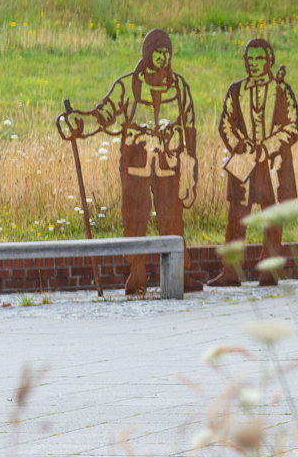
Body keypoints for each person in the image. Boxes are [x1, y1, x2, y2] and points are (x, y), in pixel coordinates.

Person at [58, 28, 197, 294]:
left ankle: (179, 273)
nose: (162, 58)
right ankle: (137, 274)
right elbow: (104, 115)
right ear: (147, 54)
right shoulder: (128, 86)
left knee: (172, 219)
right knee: (134, 218)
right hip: (136, 165)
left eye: (167, 53)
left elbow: (189, 128)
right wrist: (80, 123)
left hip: (168, 165)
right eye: (157, 52)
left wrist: (191, 170)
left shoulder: (179, 88)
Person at [211, 37, 298, 286]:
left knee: (272, 216)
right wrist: (240, 145)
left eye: (259, 59)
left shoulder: (281, 90)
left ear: (269, 60)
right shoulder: (236, 90)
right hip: (243, 162)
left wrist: (269, 147)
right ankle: (230, 272)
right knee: (236, 217)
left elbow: (293, 126)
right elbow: (225, 124)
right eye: (249, 59)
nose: (254, 64)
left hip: (272, 164)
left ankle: (269, 271)